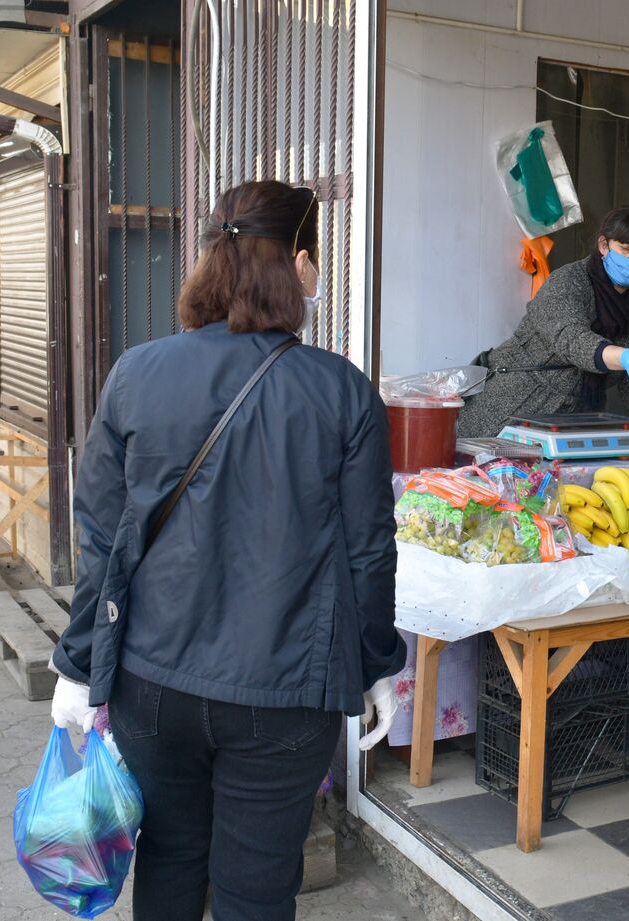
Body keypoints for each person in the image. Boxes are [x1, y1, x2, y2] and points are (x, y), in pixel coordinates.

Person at [47, 180, 405, 921]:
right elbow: (370, 551)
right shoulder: (343, 392)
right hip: (284, 695)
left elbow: (102, 539)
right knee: (257, 886)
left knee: (171, 859)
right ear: (297, 264)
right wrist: (377, 667)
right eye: (315, 259)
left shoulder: (136, 373)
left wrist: (80, 664)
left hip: (152, 683)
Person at [458, 205, 629, 436]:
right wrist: (622, 356)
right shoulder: (568, 281)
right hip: (509, 408)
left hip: (572, 424)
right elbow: (571, 339)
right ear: (604, 246)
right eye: (625, 249)